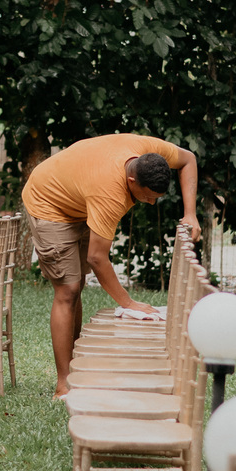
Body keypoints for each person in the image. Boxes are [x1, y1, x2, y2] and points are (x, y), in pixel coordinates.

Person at [22, 133, 200, 397]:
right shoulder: (110, 193)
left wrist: (190, 214)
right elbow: (97, 258)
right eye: (148, 196)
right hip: (48, 201)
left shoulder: (148, 151)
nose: (152, 203)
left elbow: (188, 159)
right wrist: (128, 303)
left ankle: (75, 366)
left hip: (78, 196)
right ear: (131, 181)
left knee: (77, 285)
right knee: (68, 290)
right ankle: (63, 384)